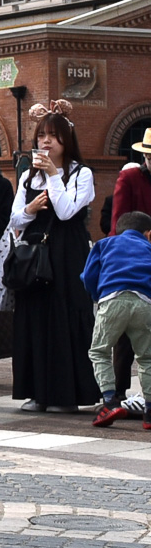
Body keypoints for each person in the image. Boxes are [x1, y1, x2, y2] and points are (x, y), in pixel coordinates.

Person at [8, 105, 99, 412]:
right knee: (35, 319)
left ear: (67, 139)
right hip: (35, 254)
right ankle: (38, 393)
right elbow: (16, 220)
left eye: (53, 136)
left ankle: (69, 395)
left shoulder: (81, 173)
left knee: (66, 316)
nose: (46, 142)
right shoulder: (26, 177)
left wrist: (52, 175)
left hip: (67, 254)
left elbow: (66, 211)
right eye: (42, 135)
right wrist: (30, 209)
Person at [87, 212, 151, 428]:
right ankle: (149, 411)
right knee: (147, 358)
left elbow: (88, 275)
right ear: (148, 233)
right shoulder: (149, 247)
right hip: (144, 302)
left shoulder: (104, 244)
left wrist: (99, 296)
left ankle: (110, 402)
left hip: (112, 298)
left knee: (100, 351)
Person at [109, 132, 151, 408]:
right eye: (148, 156)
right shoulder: (130, 178)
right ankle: (117, 392)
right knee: (125, 331)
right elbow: (118, 224)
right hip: (134, 260)